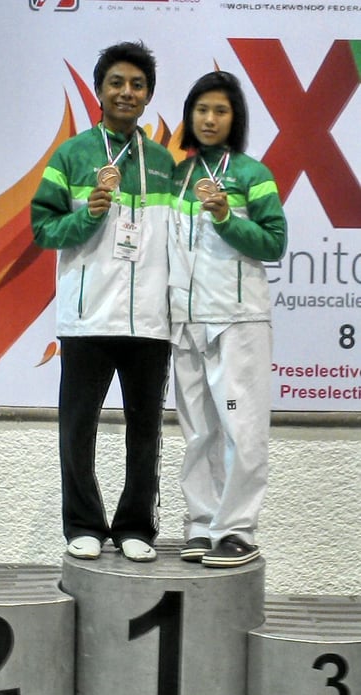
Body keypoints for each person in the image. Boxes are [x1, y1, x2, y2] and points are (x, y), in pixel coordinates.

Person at [31, 41, 174, 562]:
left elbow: (176, 238)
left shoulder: (162, 163)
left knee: (146, 428)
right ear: (99, 90)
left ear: (148, 95)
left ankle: (136, 525)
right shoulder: (71, 155)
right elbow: (43, 229)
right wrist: (87, 215)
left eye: (137, 85)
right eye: (117, 82)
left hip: (150, 322)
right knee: (78, 426)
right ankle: (84, 525)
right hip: (87, 316)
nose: (126, 92)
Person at [168, 71, 287, 568]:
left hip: (237, 322)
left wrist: (224, 218)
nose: (209, 119)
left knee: (241, 428)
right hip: (184, 322)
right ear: (189, 117)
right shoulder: (176, 177)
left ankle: (236, 530)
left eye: (220, 110)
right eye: (201, 110)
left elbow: (274, 242)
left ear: (234, 118)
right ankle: (200, 524)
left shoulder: (252, 174)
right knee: (197, 432)